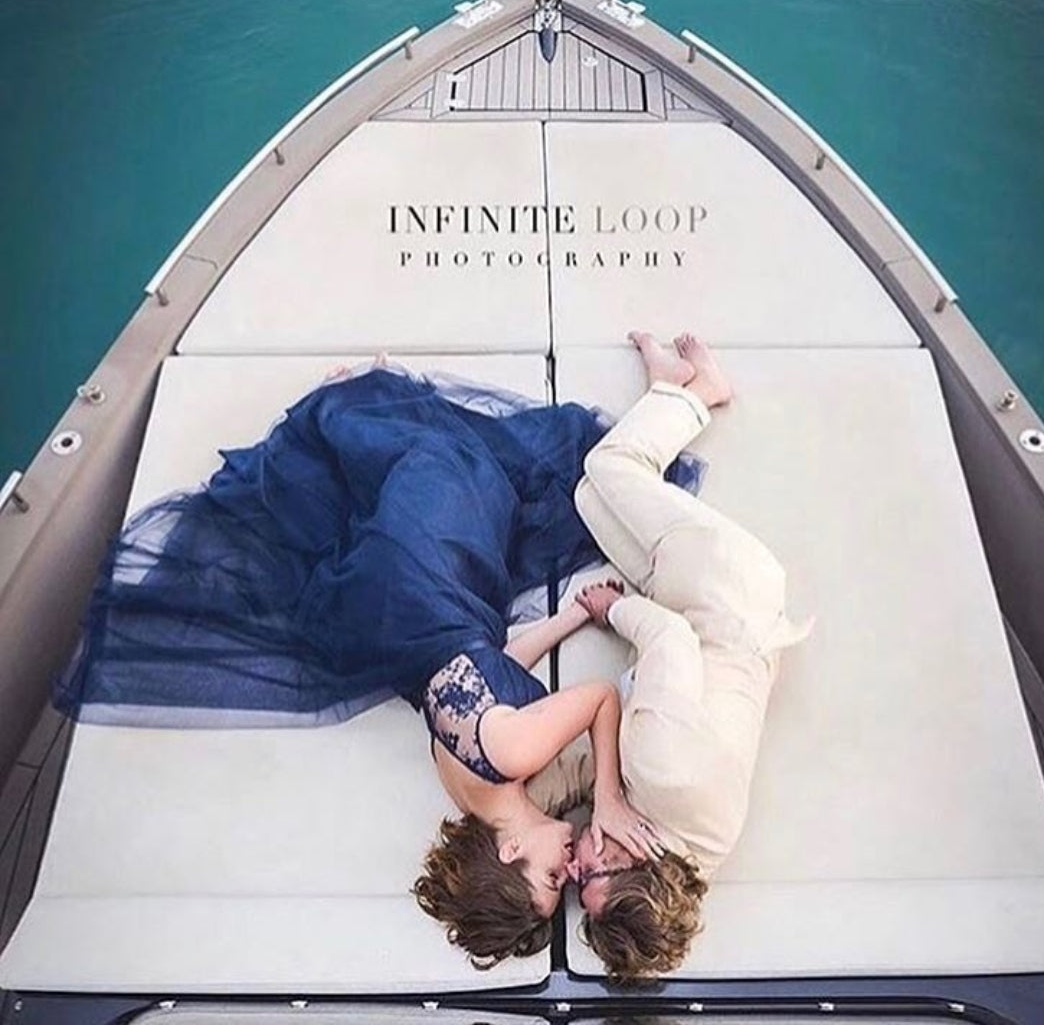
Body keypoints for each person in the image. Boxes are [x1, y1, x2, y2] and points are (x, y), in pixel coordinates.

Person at [54, 361, 691, 968]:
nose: (569, 862)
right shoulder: (469, 787)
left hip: (426, 582)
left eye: (553, 876)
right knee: (478, 490)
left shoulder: (513, 757)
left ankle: (350, 401)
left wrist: (607, 796)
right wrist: (571, 619)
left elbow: (603, 695)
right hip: (397, 616)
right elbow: (494, 667)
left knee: (475, 470)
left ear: (513, 849)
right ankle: (350, 418)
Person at [565, 330, 814, 981]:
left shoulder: (699, 856)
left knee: (588, 504)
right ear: (635, 861)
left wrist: (604, 799)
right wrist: (607, 610)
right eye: (595, 874)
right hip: (720, 588)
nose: (581, 862)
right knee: (607, 471)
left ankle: (673, 394)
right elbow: (666, 640)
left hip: (726, 619)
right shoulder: (661, 771)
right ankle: (701, 389)